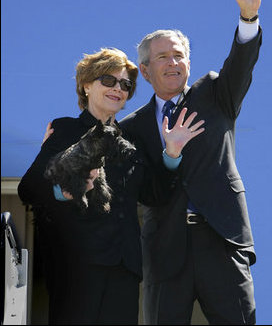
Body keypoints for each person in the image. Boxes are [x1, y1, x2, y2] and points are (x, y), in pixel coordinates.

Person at [119, 0, 264, 325]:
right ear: (146, 71)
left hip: (222, 238)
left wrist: (248, 18)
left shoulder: (216, 94)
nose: (173, 63)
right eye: (163, 57)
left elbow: (242, 63)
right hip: (165, 250)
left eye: (179, 55)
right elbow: (136, 188)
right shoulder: (131, 128)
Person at [18, 47, 204, 325]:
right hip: (77, 264)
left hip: (124, 267)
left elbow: (154, 194)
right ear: (86, 85)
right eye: (108, 80)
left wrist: (172, 154)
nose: (118, 88)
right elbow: (29, 187)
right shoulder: (66, 129)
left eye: (126, 85)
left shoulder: (132, 141)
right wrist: (64, 191)